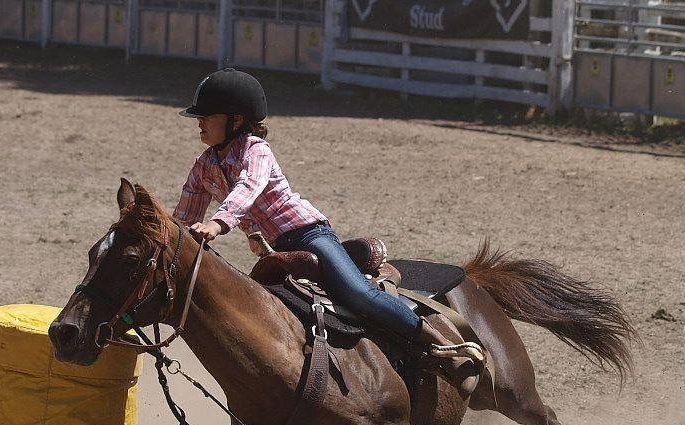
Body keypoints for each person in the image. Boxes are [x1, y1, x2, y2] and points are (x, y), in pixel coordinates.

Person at [172, 69, 485, 397]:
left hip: (310, 234)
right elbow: (183, 216)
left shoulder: (256, 150)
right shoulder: (203, 167)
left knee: (359, 294)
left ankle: (444, 346)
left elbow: (247, 187)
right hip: (279, 249)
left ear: (236, 120)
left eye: (207, 115)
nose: (200, 122)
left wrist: (218, 223)